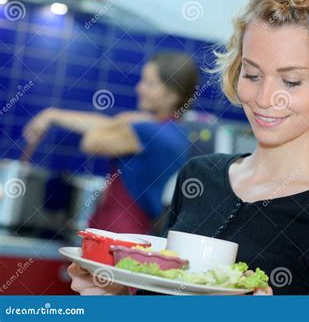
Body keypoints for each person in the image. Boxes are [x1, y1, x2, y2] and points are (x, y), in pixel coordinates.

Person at [68, 0, 309, 295]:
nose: (265, 98)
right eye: (252, 75)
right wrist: (115, 298)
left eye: (291, 81)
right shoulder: (199, 177)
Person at [23, 52, 199, 234]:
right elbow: (105, 125)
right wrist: (52, 115)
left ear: (172, 96)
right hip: (135, 230)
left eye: (150, 83)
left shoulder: (150, 131)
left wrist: (126, 118)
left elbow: (90, 142)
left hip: (117, 229)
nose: (139, 88)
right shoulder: (175, 131)